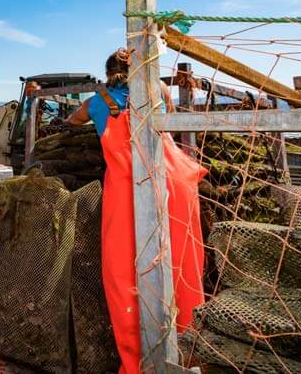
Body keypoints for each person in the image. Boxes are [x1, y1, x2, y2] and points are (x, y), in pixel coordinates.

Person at [63, 49, 205, 374]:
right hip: (175, 181)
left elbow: (70, 121)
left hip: (128, 187)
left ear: (107, 71)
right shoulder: (157, 89)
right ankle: (187, 353)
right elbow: (167, 110)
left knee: (124, 272)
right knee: (183, 264)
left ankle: (140, 361)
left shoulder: (97, 100)